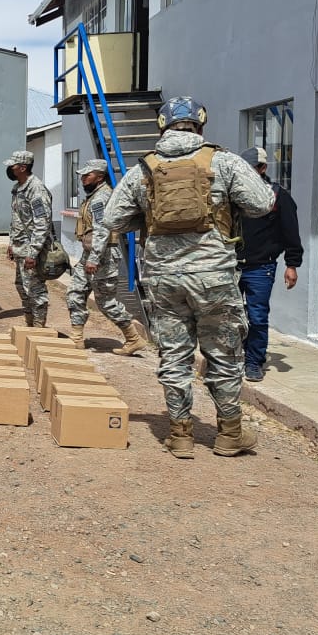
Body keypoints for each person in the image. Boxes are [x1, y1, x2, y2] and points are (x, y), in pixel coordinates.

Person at [102, 96, 275, 459]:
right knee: (223, 354)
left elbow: (113, 219)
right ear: (200, 125)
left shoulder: (144, 169)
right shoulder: (223, 161)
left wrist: (149, 220)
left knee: (174, 355)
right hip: (213, 275)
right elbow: (260, 204)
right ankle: (229, 433)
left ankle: (180, 434)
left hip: (163, 278)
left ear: (161, 126)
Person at [236, 146, 303, 382]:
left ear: (263, 168)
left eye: (250, 169)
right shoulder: (233, 194)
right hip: (231, 266)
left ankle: (254, 361)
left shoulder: (277, 196)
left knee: (257, 316)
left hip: (261, 267)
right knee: (228, 315)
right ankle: (233, 358)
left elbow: (291, 232)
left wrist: (292, 265)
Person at [65, 158, 146, 355]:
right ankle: (76, 338)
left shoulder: (102, 198)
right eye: (82, 175)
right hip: (90, 254)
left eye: (88, 175)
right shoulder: (94, 195)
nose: (83, 179)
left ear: (100, 177)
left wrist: (94, 258)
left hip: (103, 256)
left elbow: (102, 229)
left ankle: (133, 338)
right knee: (75, 292)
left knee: (105, 302)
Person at [5, 150, 54, 327]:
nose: (10, 168)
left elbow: (42, 223)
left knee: (35, 289)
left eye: (13, 165)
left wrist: (33, 253)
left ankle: (39, 328)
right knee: (22, 287)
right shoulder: (18, 188)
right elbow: (17, 219)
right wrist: (11, 243)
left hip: (31, 249)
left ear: (23, 168)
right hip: (20, 247)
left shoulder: (36, 189)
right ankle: (30, 325)